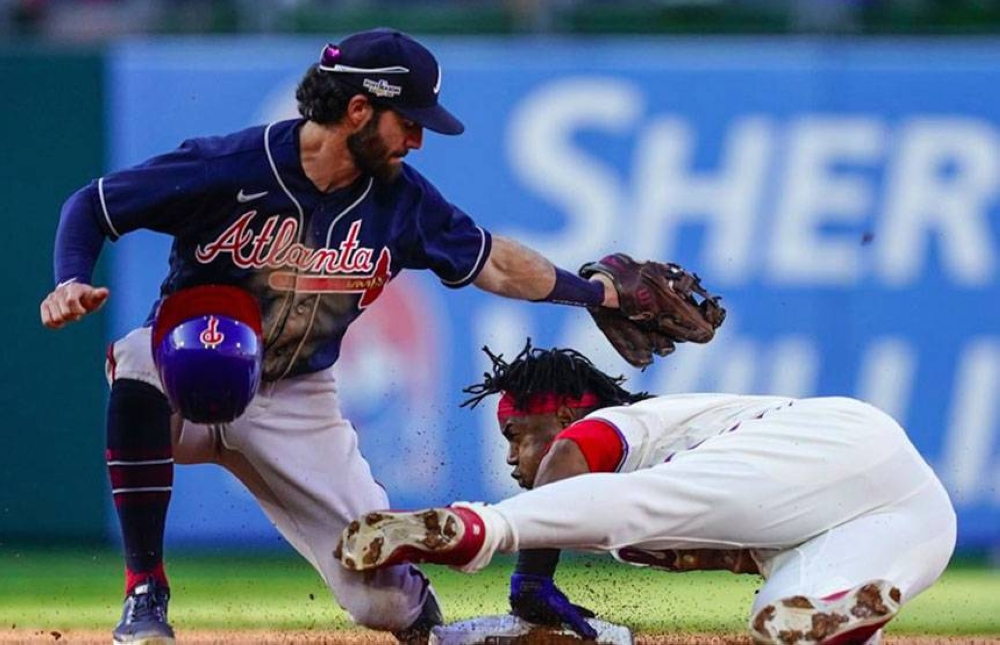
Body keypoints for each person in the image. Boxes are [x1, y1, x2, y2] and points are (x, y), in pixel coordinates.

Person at [38, 29, 630, 645]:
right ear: (357, 111)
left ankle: (419, 617)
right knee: (138, 361)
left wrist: (595, 294)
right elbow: (94, 205)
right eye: (409, 121)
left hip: (297, 401)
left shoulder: (402, 202)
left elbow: (496, 262)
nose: (418, 138)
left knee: (380, 599)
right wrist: (70, 279)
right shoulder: (231, 167)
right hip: (194, 369)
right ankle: (145, 590)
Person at [336, 341, 958, 645]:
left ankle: (478, 529)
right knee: (784, 615)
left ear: (563, 418)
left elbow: (572, 460)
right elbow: (739, 541)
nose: (510, 454)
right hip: (914, 517)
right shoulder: (637, 507)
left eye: (518, 433)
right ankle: (832, 612)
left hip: (829, 438)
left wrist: (529, 577)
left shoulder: (627, 425)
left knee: (641, 504)